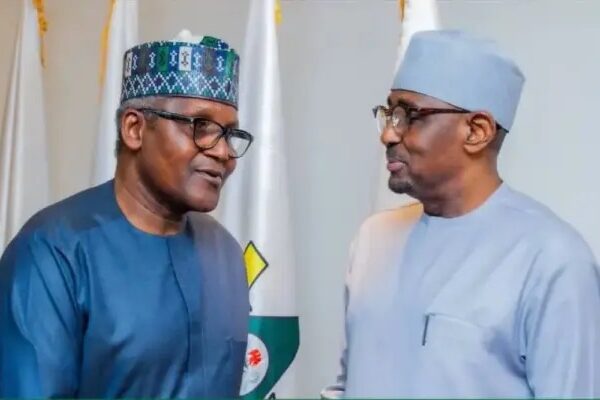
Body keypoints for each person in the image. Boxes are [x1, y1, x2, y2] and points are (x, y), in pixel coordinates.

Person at [323, 30, 600, 398]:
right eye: (389, 114)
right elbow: (349, 384)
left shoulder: (551, 259)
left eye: (408, 115)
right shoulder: (374, 240)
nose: (388, 135)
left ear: (476, 131)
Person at [0, 31, 254, 397]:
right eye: (201, 127)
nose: (223, 153)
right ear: (135, 129)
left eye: (229, 134)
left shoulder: (226, 253)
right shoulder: (52, 252)